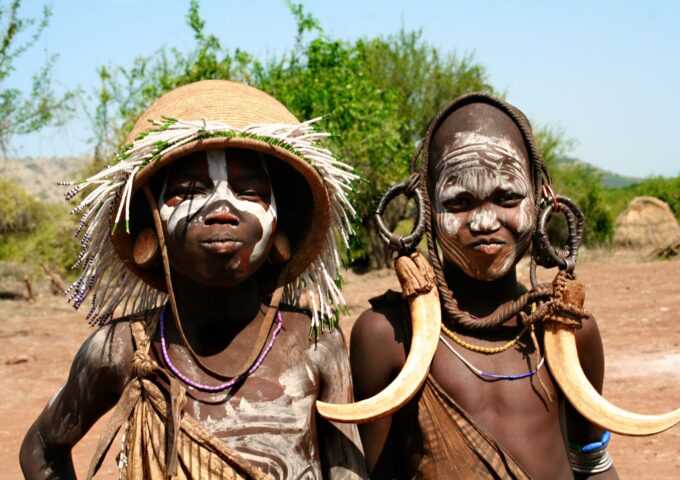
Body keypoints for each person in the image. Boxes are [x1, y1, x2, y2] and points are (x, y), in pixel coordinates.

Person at [19, 80, 367, 479]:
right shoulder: (123, 350)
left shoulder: (316, 344)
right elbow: (41, 450)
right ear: (149, 230)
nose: (221, 208)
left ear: (278, 233)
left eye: (249, 192)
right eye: (188, 190)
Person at [350, 93, 619, 479]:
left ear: (543, 200)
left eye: (507, 197)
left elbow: (591, 462)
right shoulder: (388, 336)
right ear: (424, 206)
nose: (484, 222)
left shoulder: (569, 332)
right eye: (459, 202)